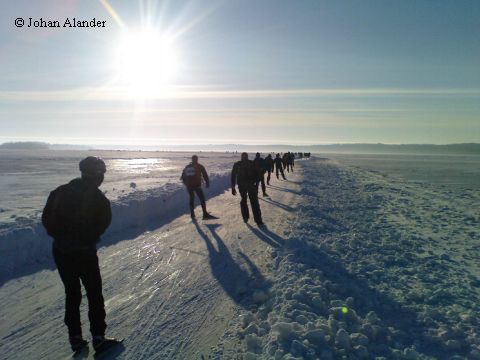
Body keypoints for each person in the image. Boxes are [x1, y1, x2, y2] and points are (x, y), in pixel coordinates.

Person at [42, 156, 120, 353]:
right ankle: (98, 338)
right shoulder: (99, 199)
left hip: (61, 251)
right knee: (94, 293)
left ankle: (75, 338)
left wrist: (62, 237)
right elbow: (103, 223)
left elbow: (47, 220)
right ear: (97, 175)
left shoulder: (59, 192)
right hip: (84, 252)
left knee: (72, 293)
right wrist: (86, 238)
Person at [231, 152, 264, 226]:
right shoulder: (240, 164)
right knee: (251, 201)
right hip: (247, 185)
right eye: (244, 157)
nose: (244, 158)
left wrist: (233, 187)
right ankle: (257, 220)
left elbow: (233, 176)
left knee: (246, 200)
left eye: (244, 157)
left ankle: (248, 217)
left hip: (247, 185)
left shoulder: (239, 164)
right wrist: (256, 182)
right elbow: (258, 174)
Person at [180, 155, 217, 220]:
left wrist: (187, 184)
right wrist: (207, 183)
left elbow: (182, 177)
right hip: (197, 185)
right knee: (202, 199)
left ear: (192, 159)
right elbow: (205, 175)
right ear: (197, 159)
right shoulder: (200, 166)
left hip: (189, 186)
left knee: (191, 198)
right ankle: (205, 214)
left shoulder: (187, 167)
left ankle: (192, 214)